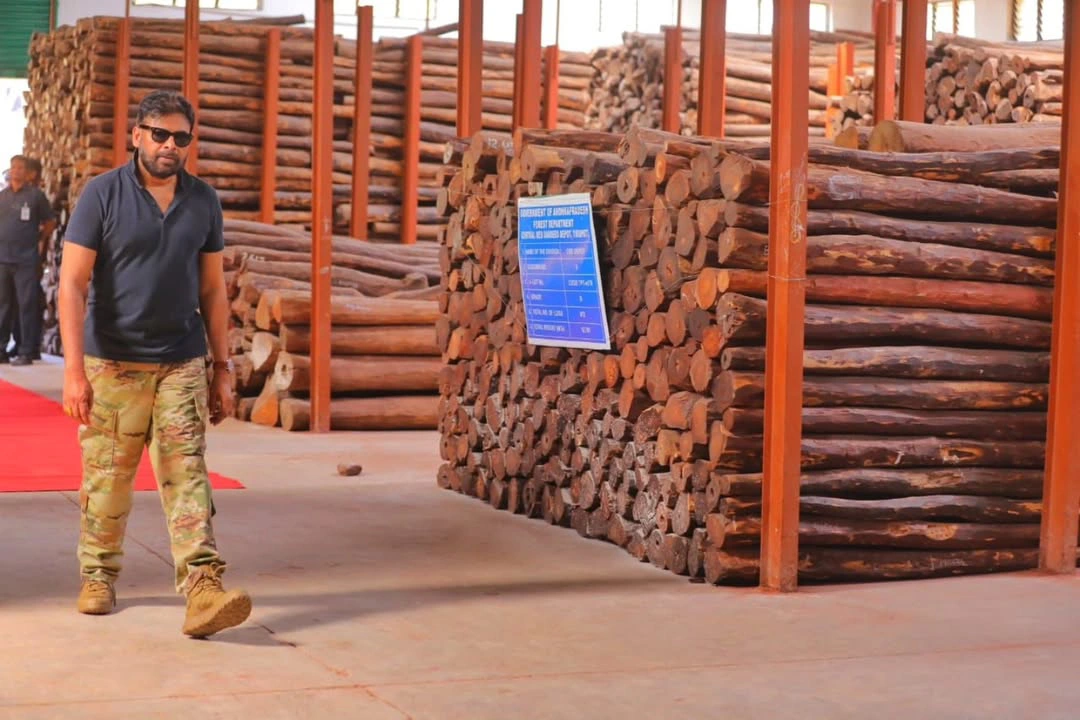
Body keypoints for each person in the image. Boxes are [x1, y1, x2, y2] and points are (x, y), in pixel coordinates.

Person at [59, 89, 252, 638]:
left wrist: (222, 367)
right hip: (112, 362)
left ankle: (202, 589)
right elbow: (72, 285)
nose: (171, 146)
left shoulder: (203, 201)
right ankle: (97, 576)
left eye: (182, 137)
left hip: (181, 360)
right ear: (138, 134)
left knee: (187, 474)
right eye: (161, 134)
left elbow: (213, 291)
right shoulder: (102, 194)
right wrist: (74, 371)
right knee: (108, 478)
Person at [0, 154, 56, 365]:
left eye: (20, 168)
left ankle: (27, 350)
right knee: (3, 306)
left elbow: (50, 221)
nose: (16, 171)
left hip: (25, 259)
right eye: (13, 167)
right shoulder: (2, 197)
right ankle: (1, 348)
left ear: (27, 172)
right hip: (3, 259)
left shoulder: (35, 196)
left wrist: (39, 239)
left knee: (26, 305)